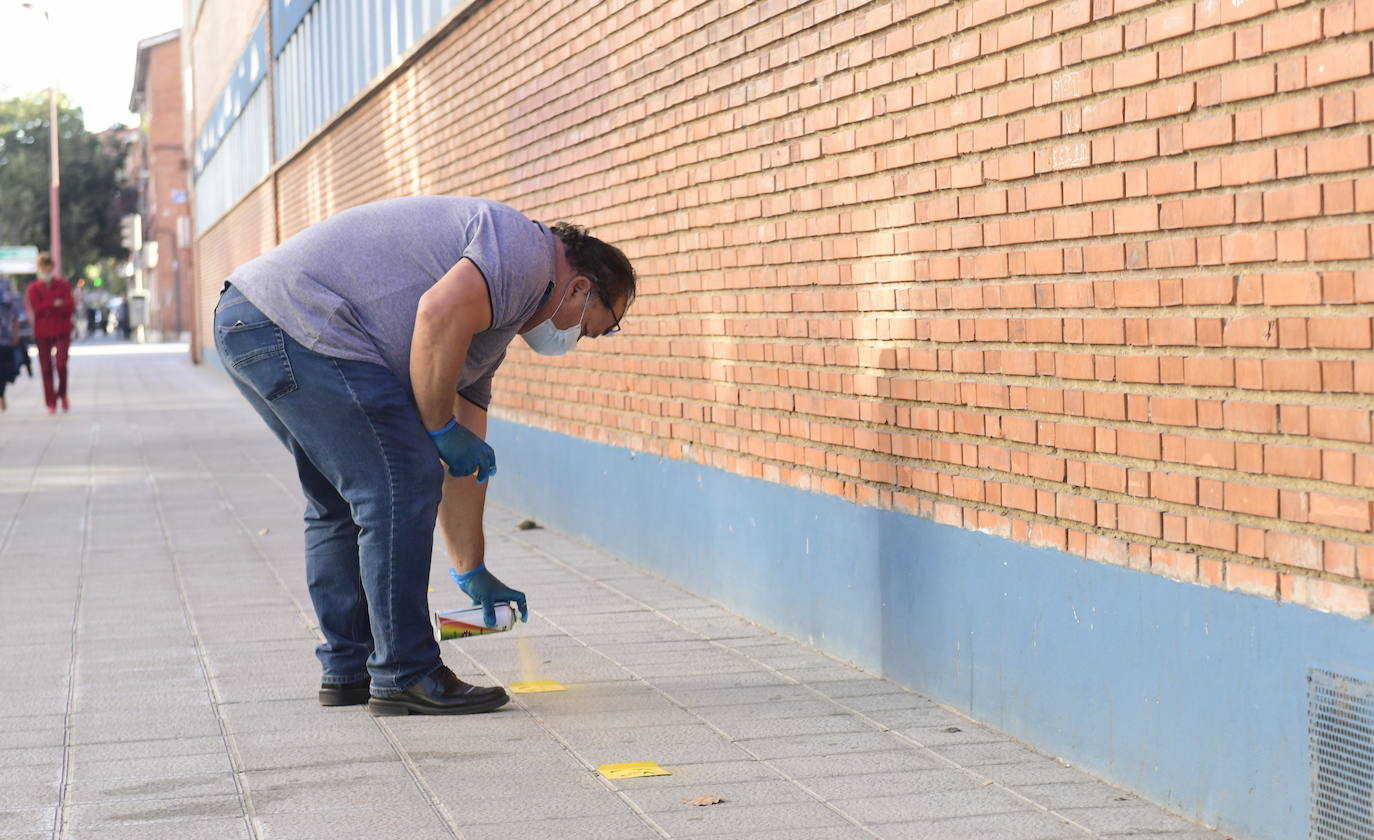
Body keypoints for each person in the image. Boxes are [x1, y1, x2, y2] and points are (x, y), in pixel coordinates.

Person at [216, 196, 634, 716]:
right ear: (579, 287)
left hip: (250, 316)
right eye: (592, 327)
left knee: (340, 500)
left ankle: (350, 668)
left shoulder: (490, 332)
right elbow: (437, 313)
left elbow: (466, 465)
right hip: (296, 324)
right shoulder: (526, 255)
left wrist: (472, 568)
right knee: (400, 481)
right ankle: (406, 672)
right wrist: (437, 429)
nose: (577, 341)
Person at [25, 252, 74, 414]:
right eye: (43, 269)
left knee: (61, 364)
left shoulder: (63, 285)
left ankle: (62, 394)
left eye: (48, 268)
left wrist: (49, 307)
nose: (46, 272)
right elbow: (37, 309)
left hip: (62, 329)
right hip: (42, 332)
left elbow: (69, 307)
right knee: (45, 368)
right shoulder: (33, 288)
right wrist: (55, 303)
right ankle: (50, 401)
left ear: (52, 268)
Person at [0, 279, 20, 411]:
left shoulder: (4, 285)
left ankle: (1, 393)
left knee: (3, 369)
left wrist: (16, 332)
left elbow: (13, 312)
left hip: (4, 336)